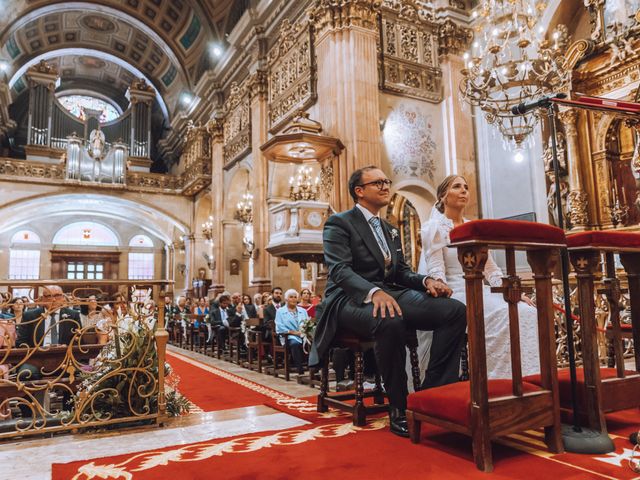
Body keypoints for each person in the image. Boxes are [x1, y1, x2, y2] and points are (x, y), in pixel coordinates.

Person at [311, 165, 466, 438]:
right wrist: (373, 293)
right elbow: (340, 270)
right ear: (359, 191)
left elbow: (401, 272)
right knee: (389, 319)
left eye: (387, 181)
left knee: (453, 311)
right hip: (348, 298)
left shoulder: (390, 230)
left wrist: (426, 281)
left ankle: (431, 395)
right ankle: (399, 405)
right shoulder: (340, 223)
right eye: (378, 182)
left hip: (390, 292)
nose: (385, 186)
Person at [419, 175, 540, 379]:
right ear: (442, 196)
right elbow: (436, 269)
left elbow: (491, 270)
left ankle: (528, 378)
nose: (464, 190)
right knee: (502, 315)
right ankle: (493, 380)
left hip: (479, 288)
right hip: (453, 292)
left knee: (525, 311)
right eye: (457, 187)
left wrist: (512, 292)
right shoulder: (434, 228)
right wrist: (442, 291)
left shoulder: (473, 227)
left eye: (466, 187)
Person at [275, 289, 307, 374]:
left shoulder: (303, 311)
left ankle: (314, 368)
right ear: (286, 299)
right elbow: (279, 327)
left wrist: (306, 332)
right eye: (291, 297)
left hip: (303, 335)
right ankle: (300, 369)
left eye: (295, 297)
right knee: (295, 344)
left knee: (317, 342)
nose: (293, 299)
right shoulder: (280, 311)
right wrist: (294, 333)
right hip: (288, 337)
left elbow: (307, 323)